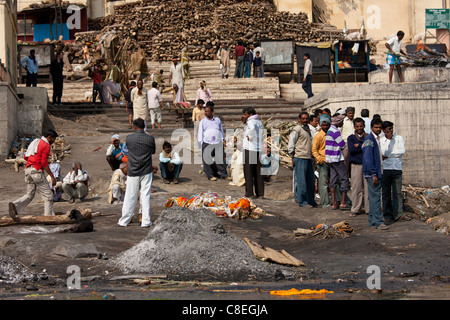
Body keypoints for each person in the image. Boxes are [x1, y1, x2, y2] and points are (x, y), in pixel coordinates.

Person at [9, 129, 59, 220]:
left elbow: (25, 156)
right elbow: (44, 163)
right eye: (53, 139)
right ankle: (48, 217)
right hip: (36, 170)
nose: (54, 141)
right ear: (49, 137)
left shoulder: (35, 141)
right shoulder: (46, 145)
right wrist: (52, 176)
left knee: (30, 194)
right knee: (48, 195)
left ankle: (15, 206)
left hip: (28, 170)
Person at [118, 118, 157, 228]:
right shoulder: (150, 139)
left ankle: (124, 220)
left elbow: (127, 150)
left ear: (135, 127)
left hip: (133, 169)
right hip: (146, 169)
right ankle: (145, 221)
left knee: (130, 195)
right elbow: (153, 151)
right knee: (145, 195)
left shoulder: (129, 138)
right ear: (144, 126)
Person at [380, 121, 410, 224]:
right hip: (386, 169)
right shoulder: (382, 140)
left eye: (391, 128)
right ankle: (388, 215)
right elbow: (384, 152)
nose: (391, 131)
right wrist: (388, 141)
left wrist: (390, 155)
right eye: (388, 129)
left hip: (397, 168)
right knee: (386, 193)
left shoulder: (399, 138)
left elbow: (402, 151)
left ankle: (399, 214)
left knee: (397, 192)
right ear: (384, 131)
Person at [362, 118, 388, 230]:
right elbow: (368, 159)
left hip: (377, 171)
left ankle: (372, 220)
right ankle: (378, 222)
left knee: (374, 197)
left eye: (379, 128)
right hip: (373, 174)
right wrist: (373, 174)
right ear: (371, 127)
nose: (378, 129)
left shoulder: (376, 139)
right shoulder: (369, 140)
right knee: (376, 197)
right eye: (376, 127)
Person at [288, 112, 316, 208]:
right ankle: (302, 201)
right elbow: (291, 145)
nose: (305, 120)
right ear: (299, 119)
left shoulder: (308, 129)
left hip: (309, 158)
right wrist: (293, 157)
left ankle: (310, 200)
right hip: (300, 158)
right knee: (302, 182)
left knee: (310, 181)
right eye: (303, 119)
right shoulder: (297, 129)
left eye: (306, 118)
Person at [325, 113, 351, 210]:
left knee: (333, 180)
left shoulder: (329, 131)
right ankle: (343, 202)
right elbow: (342, 144)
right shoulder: (335, 131)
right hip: (337, 158)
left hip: (331, 159)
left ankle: (334, 203)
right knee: (344, 179)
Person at [197, 102, 229, 181]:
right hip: (207, 142)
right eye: (205, 111)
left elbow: (220, 130)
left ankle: (224, 174)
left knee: (220, 159)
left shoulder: (217, 120)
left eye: (207, 111)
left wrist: (223, 139)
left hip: (217, 142)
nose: (205, 113)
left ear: (211, 112)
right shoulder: (203, 121)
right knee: (207, 160)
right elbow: (200, 132)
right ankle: (210, 175)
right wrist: (201, 142)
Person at [347, 117, 369, 217]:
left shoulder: (368, 136)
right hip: (356, 165)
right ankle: (356, 208)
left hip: (367, 165)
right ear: (354, 127)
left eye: (361, 126)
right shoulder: (351, 138)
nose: (359, 128)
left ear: (364, 126)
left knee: (368, 188)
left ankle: (369, 209)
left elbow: (368, 147)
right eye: (357, 126)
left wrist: (358, 145)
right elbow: (351, 149)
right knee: (356, 188)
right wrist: (362, 145)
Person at [241, 107, 264, 199]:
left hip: (250, 148)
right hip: (258, 148)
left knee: (248, 171)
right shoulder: (259, 122)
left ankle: (249, 192)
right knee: (258, 172)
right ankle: (260, 193)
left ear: (249, 114)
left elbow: (251, 131)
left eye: (245, 115)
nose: (244, 116)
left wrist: (249, 136)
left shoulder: (251, 121)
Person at [312, 114, 331, 208]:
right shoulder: (318, 136)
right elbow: (314, 150)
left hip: (332, 161)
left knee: (335, 182)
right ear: (320, 125)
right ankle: (325, 203)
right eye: (323, 125)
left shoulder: (331, 134)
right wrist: (319, 160)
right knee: (323, 184)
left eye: (327, 125)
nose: (325, 127)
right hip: (323, 162)